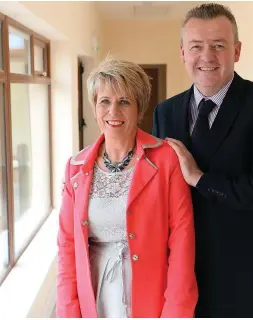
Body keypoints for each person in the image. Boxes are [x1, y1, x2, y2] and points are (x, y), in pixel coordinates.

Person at [152, 3, 253, 318]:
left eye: (218, 45)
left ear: (237, 50)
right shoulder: (165, 112)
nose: (207, 56)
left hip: (243, 282)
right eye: (196, 46)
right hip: (178, 280)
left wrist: (200, 179)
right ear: (182, 52)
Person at [57, 57, 198, 318]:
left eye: (124, 102)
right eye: (105, 101)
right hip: (95, 296)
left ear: (139, 109)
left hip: (151, 296)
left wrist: (176, 311)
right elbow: (67, 247)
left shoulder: (166, 159)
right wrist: (68, 311)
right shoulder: (75, 168)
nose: (113, 111)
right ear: (94, 106)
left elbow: (182, 239)